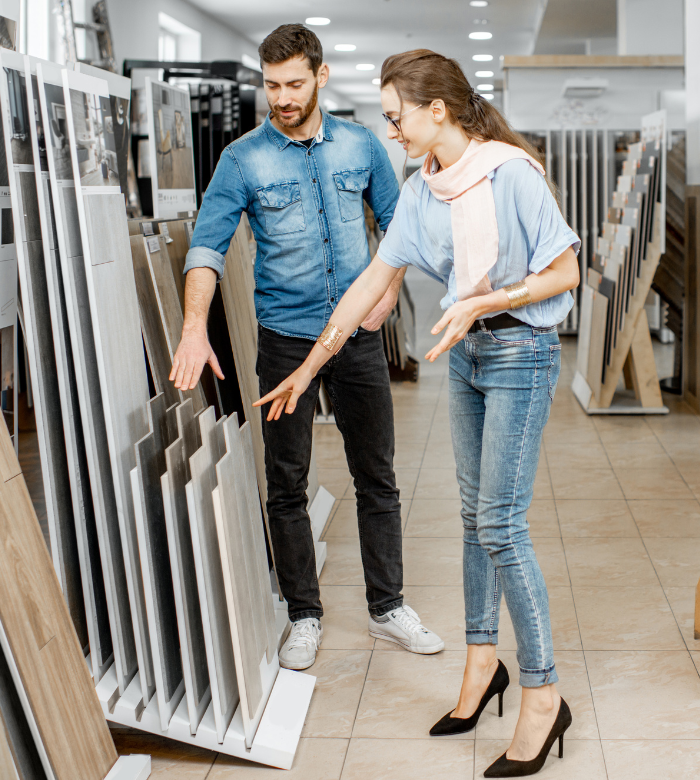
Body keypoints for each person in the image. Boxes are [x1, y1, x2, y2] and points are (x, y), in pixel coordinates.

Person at [256, 49, 581, 778]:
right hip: (463, 356)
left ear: (438, 111)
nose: (390, 129)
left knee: (501, 524)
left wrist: (485, 301)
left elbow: (566, 270)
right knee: (472, 519)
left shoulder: (511, 175)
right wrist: (307, 369)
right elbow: (373, 280)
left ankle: (544, 693)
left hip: (520, 351)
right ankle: (480, 667)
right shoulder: (420, 188)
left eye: (397, 116)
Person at [171, 24, 444, 672]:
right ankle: (304, 614)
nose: (282, 97)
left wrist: (389, 290)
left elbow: (400, 225)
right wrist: (192, 327)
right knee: (285, 483)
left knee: (376, 475)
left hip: (355, 339)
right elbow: (206, 248)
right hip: (286, 343)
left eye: (294, 83)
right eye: (271, 85)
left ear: (320, 77)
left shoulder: (362, 146)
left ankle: (388, 606)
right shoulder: (243, 159)